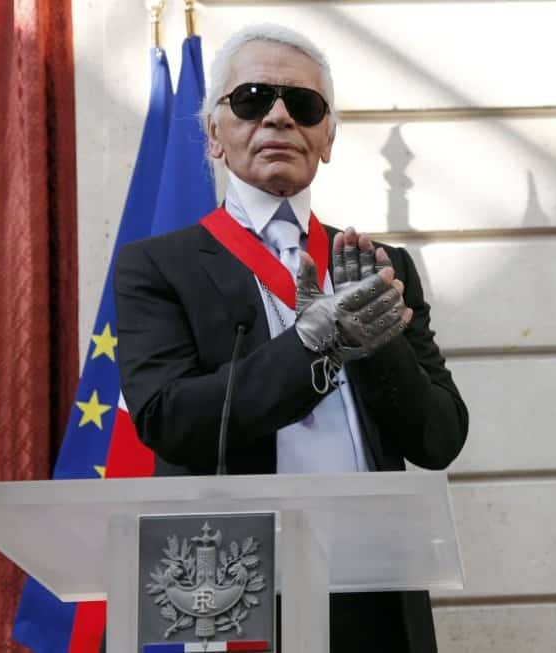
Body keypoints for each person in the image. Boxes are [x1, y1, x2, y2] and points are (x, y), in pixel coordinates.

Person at [114, 23, 468, 653]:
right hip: (225, 578)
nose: (279, 116)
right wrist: (307, 344)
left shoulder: (379, 266)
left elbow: (440, 439)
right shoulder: (157, 265)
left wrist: (373, 347)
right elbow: (167, 419)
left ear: (326, 139)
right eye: (251, 98)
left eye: (303, 105)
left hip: (372, 578)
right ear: (214, 134)